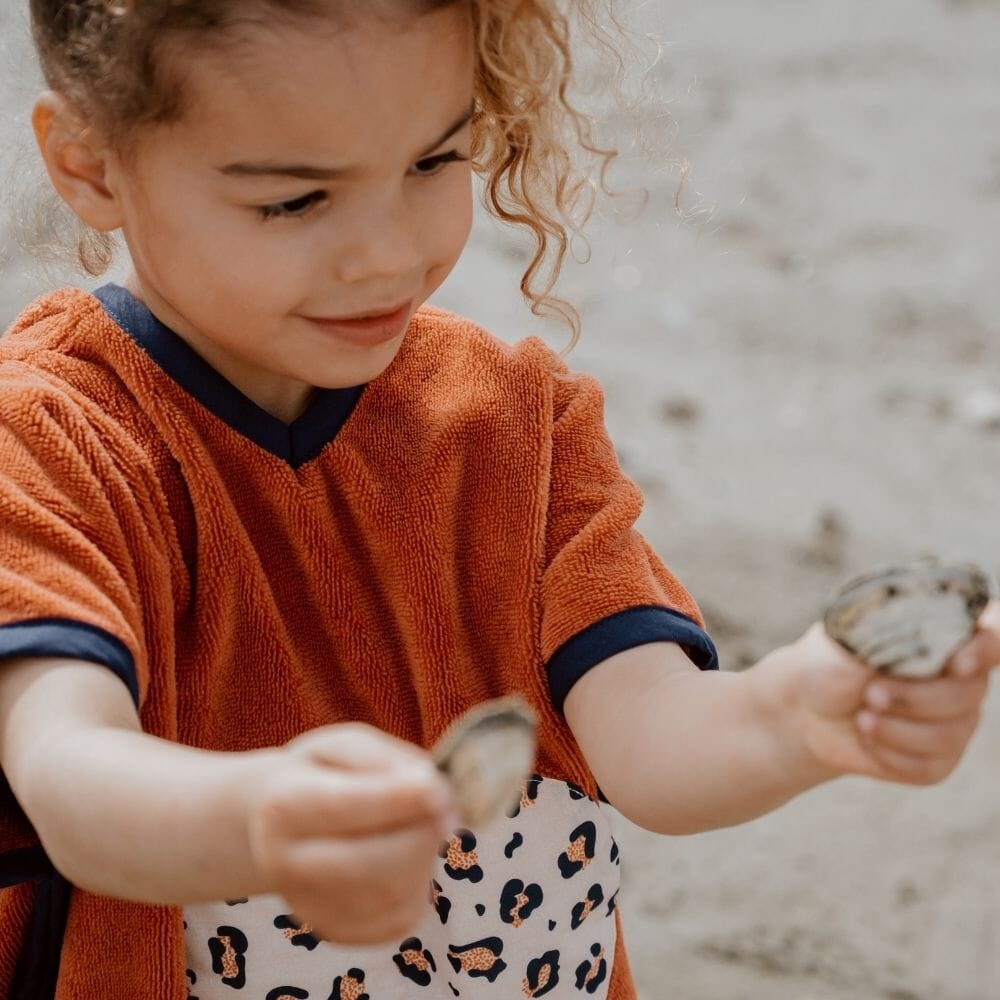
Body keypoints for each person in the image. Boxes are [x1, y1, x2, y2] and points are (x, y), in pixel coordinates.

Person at [0, 2, 997, 998]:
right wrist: (259, 821)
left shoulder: (515, 420)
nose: (388, 253)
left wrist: (790, 717)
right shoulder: (53, 442)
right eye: (296, 201)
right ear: (89, 162)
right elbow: (68, 774)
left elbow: (646, 735)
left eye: (435, 160)